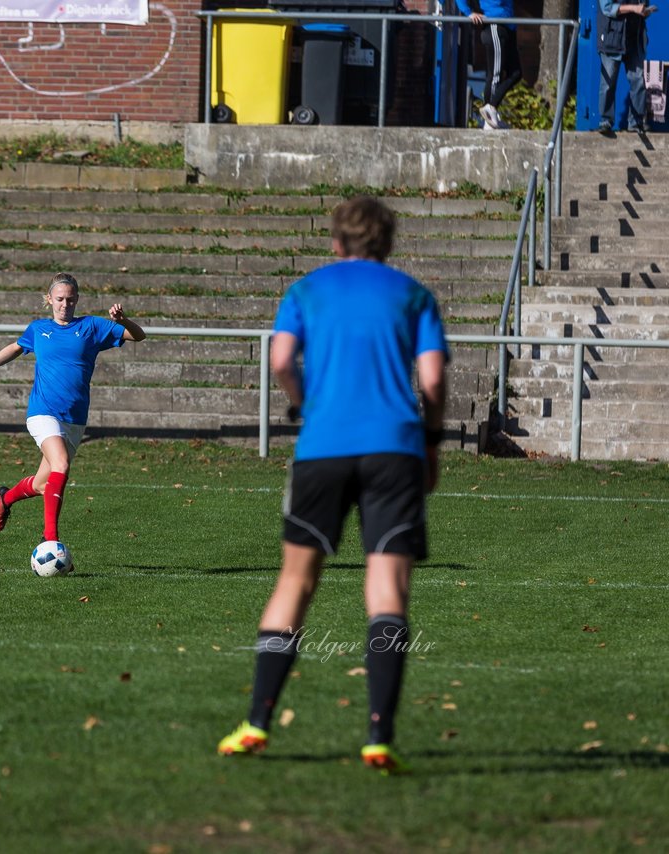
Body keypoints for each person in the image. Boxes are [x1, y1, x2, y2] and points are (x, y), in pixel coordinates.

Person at [216, 196, 448, 775]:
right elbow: (434, 376)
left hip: (323, 446)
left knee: (295, 582)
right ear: (388, 244)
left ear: (336, 243)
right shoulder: (413, 294)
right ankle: (379, 737)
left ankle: (257, 723)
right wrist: (432, 442)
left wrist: (307, 405)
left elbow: (280, 360)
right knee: (388, 586)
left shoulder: (308, 290)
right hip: (395, 447)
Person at [0, 272, 146, 551]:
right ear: (49, 299)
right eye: (60, 299)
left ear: (77, 300)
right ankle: (50, 539)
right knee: (61, 465)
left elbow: (139, 336)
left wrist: (122, 321)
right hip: (42, 413)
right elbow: (16, 346)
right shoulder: (39, 329)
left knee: (41, 485)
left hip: (74, 419)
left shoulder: (92, 327)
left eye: (70, 299)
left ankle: (6, 497)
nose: (65, 304)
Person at [455, 0, 522, 129]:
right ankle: (490, 115)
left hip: (509, 27)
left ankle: (490, 110)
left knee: (516, 73)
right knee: (495, 74)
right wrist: (469, 13)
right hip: (495, 26)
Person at [597, 0, 657, 133]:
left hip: (634, 40)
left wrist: (645, 12)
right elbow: (607, 8)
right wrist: (634, 8)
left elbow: (642, 7)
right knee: (608, 82)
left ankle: (635, 122)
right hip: (612, 38)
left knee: (639, 81)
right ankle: (605, 120)